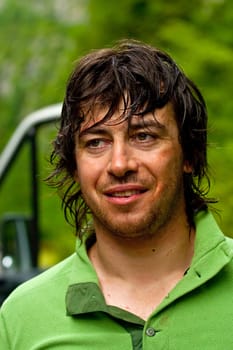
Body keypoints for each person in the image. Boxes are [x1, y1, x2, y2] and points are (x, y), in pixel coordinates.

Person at [0, 40, 232, 349]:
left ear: (188, 154)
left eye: (144, 136)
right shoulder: (20, 319)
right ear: (74, 166)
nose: (120, 164)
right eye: (96, 142)